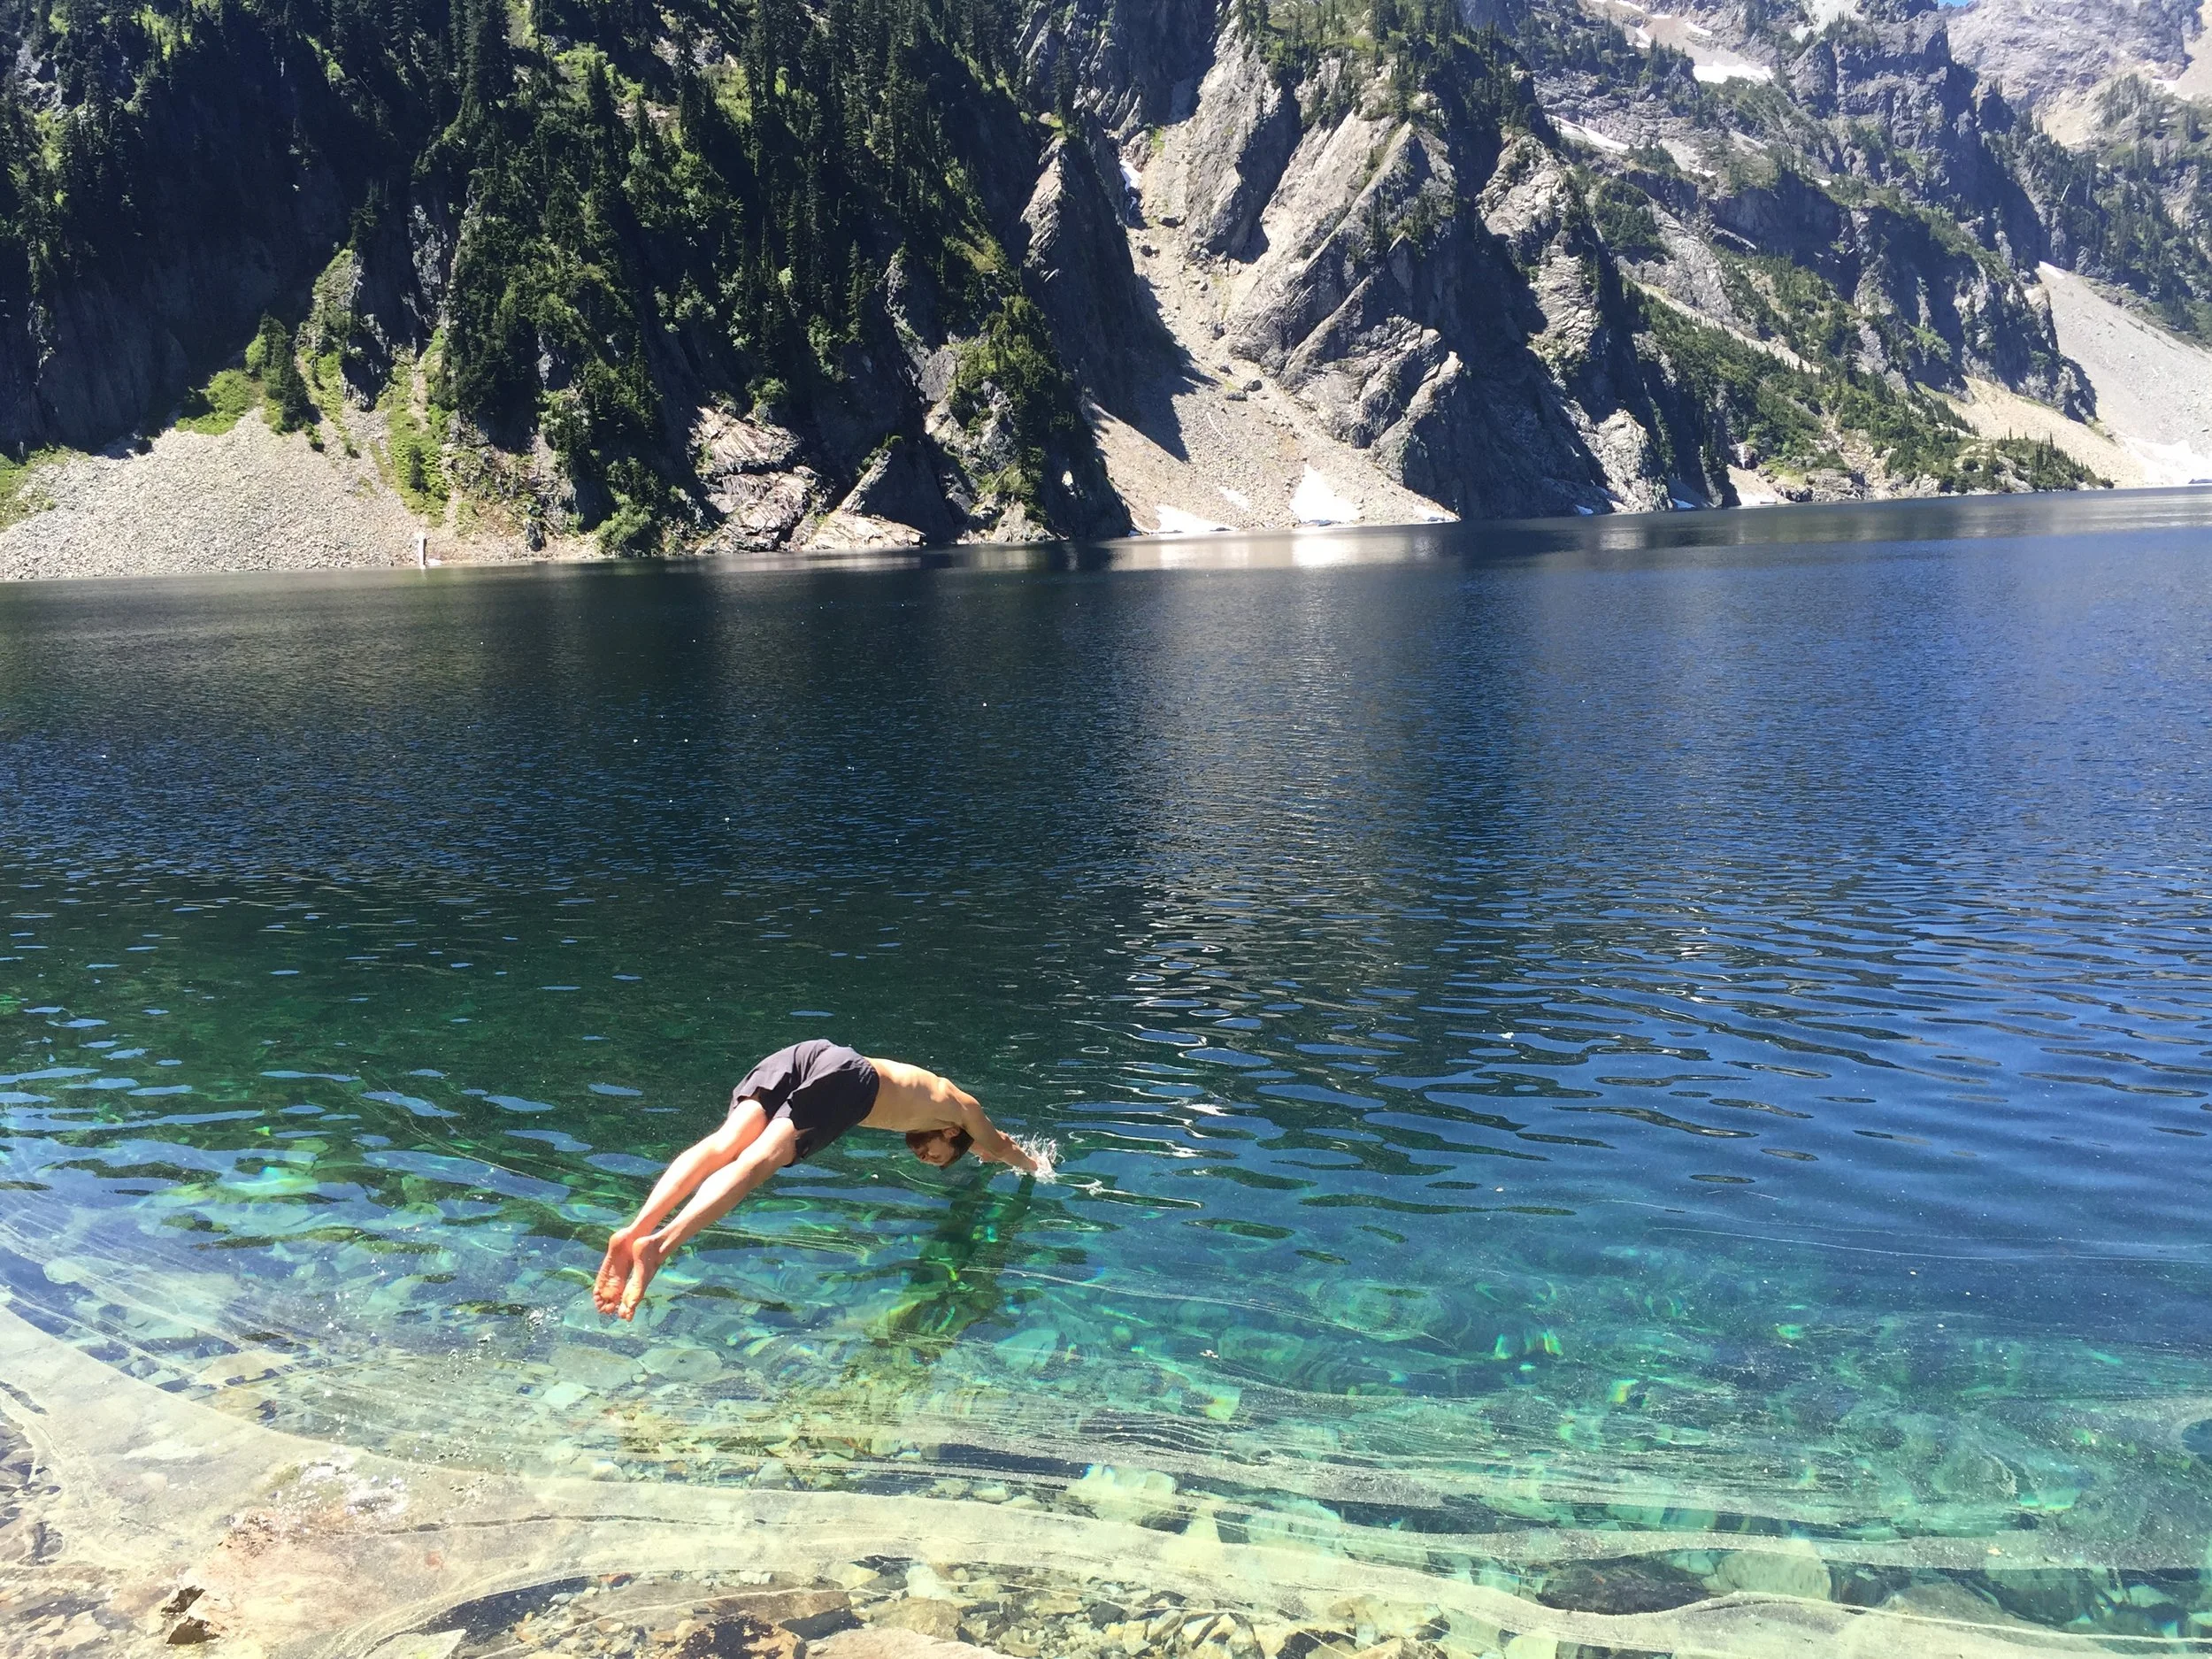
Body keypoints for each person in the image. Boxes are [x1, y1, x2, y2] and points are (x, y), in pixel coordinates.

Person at [593, 1040, 1039, 1320]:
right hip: (850, 1080)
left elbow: (983, 1147)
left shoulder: (941, 1108)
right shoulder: (963, 1110)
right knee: (757, 1162)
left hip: (812, 1054)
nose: (925, 1158)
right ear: (950, 1133)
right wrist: (1036, 1167)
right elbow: (998, 1145)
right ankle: (659, 1245)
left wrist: (983, 1150)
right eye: (935, 1156)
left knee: (723, 1144)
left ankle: (634, 1230)